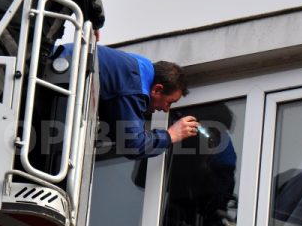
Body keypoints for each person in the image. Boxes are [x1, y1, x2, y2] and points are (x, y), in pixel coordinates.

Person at [61, 43, 199, 158]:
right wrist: (170, 135)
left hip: (61, 70)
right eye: (169, 102)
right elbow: (132, 145)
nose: (166, 109)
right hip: (59, 81)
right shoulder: (134, 84)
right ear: (157, 89)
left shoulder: (140, 67)